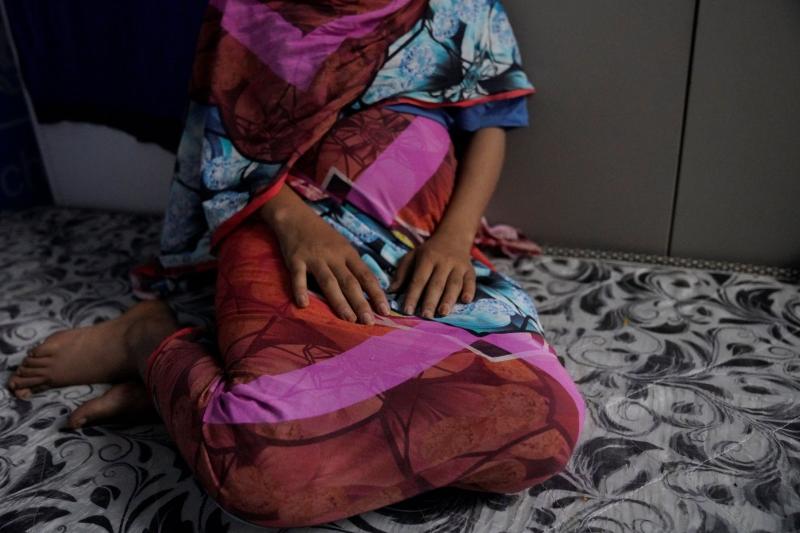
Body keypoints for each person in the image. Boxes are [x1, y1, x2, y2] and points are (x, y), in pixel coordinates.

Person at [7, 0, 584, 527]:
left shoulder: (465, 7)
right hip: (281, 229)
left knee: (549, 427)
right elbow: (225, 144)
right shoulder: (248, 10)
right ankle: (150, 339)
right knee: (258, 474)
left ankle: (192, 390)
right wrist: (294, 226)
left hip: (418, 244)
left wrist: (454, 241)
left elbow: (490, 127)